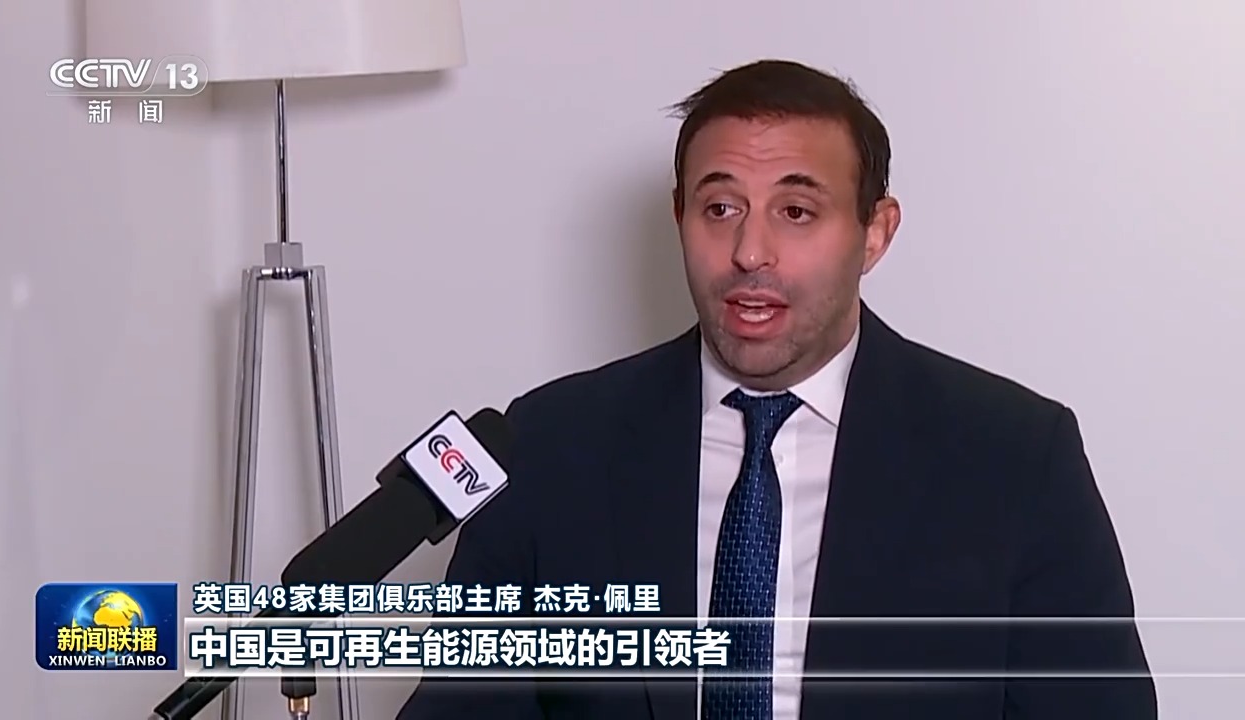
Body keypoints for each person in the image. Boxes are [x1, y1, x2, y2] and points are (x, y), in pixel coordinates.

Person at [397, 59, 1156, 720]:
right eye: (720, 209)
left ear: (875, 232)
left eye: (796, 212)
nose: (749, 252)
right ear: (679, 217)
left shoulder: (1015, 458)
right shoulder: (550, 445)